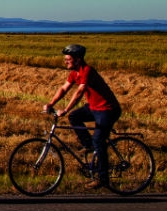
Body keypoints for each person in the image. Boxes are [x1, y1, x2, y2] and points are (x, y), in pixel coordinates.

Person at [44, 44, 122, 189]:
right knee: (74, 117)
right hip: (94, 108)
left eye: (68, 59)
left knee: (99, 140)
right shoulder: (74, 72)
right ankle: (89, 146)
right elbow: (64, 89)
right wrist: (50, 103)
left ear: (78, 60)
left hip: (107, 110)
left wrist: (66, 109)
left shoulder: (87, 71)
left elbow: (80, 92)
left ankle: (103, 178)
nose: (65, 61)